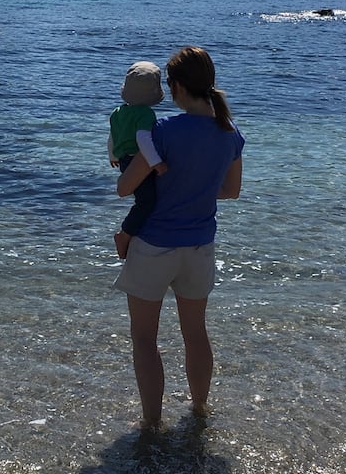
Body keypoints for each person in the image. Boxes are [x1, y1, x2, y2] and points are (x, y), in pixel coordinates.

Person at [113, 46, 244, 435]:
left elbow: (125, 187)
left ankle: (152, 423)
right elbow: (231, 191)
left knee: (144, 339)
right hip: (200, 247)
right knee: (195, 334)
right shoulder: (230, 132)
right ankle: (199, 409)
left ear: (179, 86)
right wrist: (194, 188)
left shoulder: (164, 131)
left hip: (154, 246)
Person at [108, 61, 168, 260]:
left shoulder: (117, 112)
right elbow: (143, 139)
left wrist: (113, 156)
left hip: (124, 161)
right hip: (139, 160)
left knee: (144, 198)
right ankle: (125, 233)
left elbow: (112, 137)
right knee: (147, 201)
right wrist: (156, 163)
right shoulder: (145, 113)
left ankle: (137, 230)